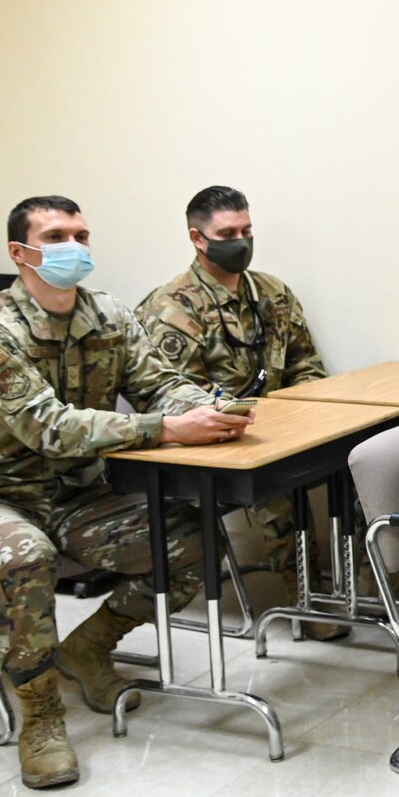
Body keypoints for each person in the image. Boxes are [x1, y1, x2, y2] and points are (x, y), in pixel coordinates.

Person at [0, 195, 254, 790]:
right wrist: (166, 428)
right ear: (19, 252)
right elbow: (47, 426)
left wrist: (204, 409)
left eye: (80, 234)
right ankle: (41, 714)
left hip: (79, 496)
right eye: (56, 236)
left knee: (191, 541)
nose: (73, 247)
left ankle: (90, 646)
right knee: (21, 555)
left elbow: (159, 386)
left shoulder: (109, 317)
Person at [136, 185, 340, 640]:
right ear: (198, 238)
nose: (241, 240)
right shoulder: (172, 307)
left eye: (247, 229)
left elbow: (306, 363)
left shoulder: (272, 292)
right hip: (214, 441)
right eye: (228, 232)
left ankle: (367, 585)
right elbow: (172, 393)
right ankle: (300, 597)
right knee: (278, 489)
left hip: (281, 428)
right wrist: (243, 418)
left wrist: (315, 414)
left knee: (354, 463)